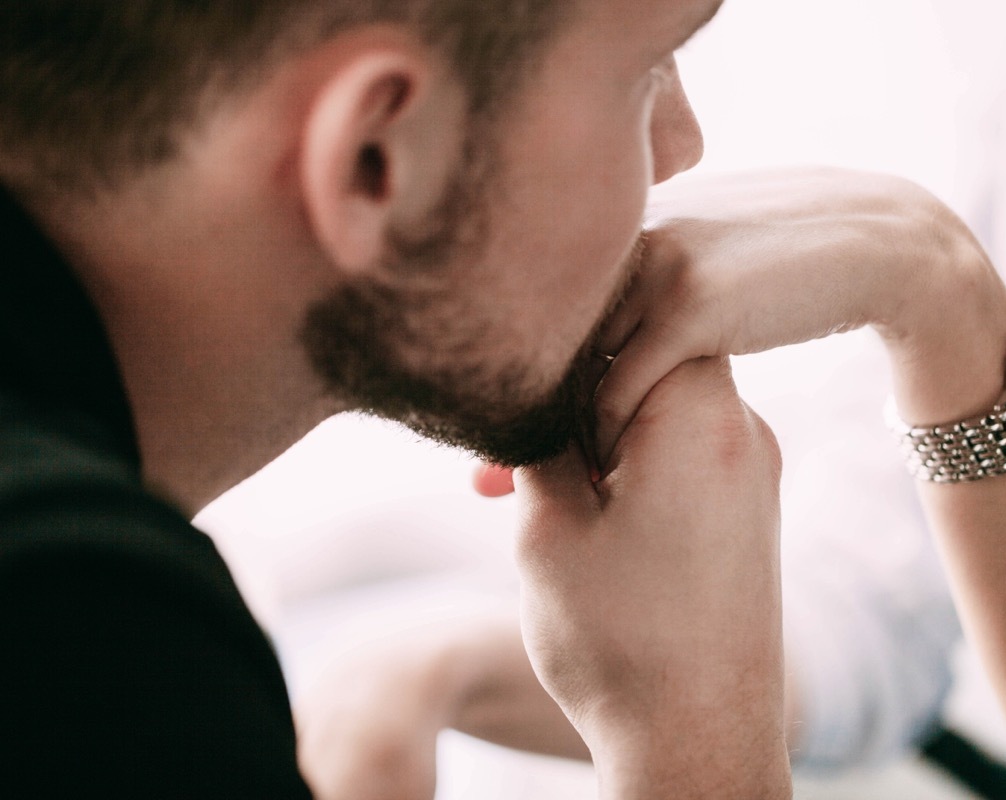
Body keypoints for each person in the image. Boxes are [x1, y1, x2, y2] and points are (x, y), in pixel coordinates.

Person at [297, 2, 1006, 799]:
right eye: (643, 67)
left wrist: (953, 312)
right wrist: (439, 662)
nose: (685, 145)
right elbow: (873, 612)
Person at [0, 1, 793, 797]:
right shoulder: (80, 627)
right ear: (374, 157)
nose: (680, 148)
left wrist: (925, 296)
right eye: (644, 71)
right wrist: (702, 718)